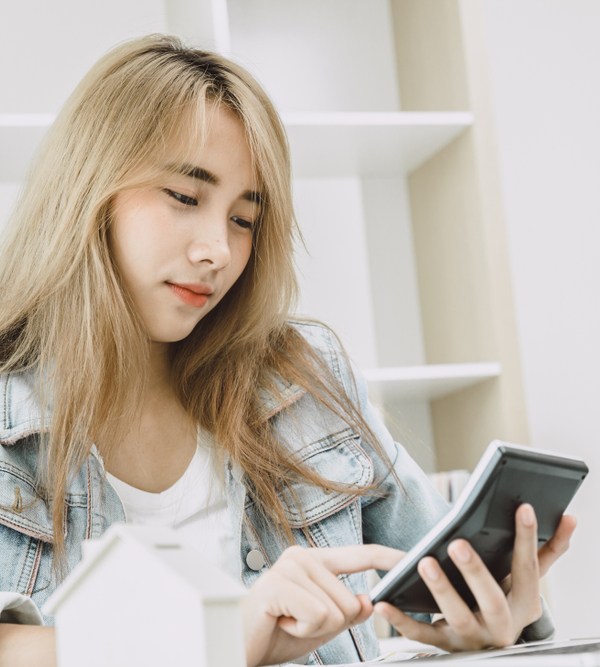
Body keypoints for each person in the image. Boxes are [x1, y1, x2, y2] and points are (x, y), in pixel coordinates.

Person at [0, 34, 575, 666]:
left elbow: (436, 572)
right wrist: (215, 641)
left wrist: (495, 620)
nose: (217, 250)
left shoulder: (301, 376)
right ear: (88, 189)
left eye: (244, 219)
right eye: (186, 198)